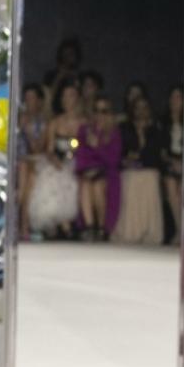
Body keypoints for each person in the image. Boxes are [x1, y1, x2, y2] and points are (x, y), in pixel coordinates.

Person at [26, 82, 83, 239]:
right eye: (64, 96)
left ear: (77, 98)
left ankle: (69, 225)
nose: (67, 99)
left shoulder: (84, 122)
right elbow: (49, 149)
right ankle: (58, 225)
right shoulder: (55, 122)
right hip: (59, 161)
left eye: (71, 96)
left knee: (71, 177)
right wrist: (54, 160)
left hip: (80, 161)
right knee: (51, 176)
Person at [115, 96, 165, 245]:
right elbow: (122, 151)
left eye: (144, 108)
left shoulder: (155, 129)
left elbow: (154, 154)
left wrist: (143, 136)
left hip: (148, 168)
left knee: (150, 178)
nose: (141, 111)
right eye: (138, 108)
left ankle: (149, 230)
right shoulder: (125, 128)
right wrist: (128, 159)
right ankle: (131, 230)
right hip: (129, 169)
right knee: (130, 178)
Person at [75, 95, 123, 240]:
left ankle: (102, 228)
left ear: (110, 113)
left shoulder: (114, 133)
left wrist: (98, 146)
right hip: (87, 171)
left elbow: (113, 161)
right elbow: (81, 155)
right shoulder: (84, 130)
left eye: (104, 111)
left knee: (98, 185)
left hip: (107, 172)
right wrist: (88, 170)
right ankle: (89, 228)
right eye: (96, 110)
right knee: (85, 184)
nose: (99, 115)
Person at [15, 82, 49, 240]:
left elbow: (38, 149)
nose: (29, 102)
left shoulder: (43, 122)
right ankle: (22, 225)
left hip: (34, 159)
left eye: (32, 98)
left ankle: (24, 225)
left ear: (39, 101)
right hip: (17, 161)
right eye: (26, 98)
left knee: (30, 175)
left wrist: (28, 132)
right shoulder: (15, 119)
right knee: (24, 171)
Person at [162, 85, 184, 243]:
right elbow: (162, 151)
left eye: (178, 97)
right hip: (170, 163)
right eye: (172, 97)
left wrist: (182, 163)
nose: (174, 101)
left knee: (183, 188)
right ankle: (179, 229)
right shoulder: (164, 123)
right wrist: (172, 162)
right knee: (171, 187)